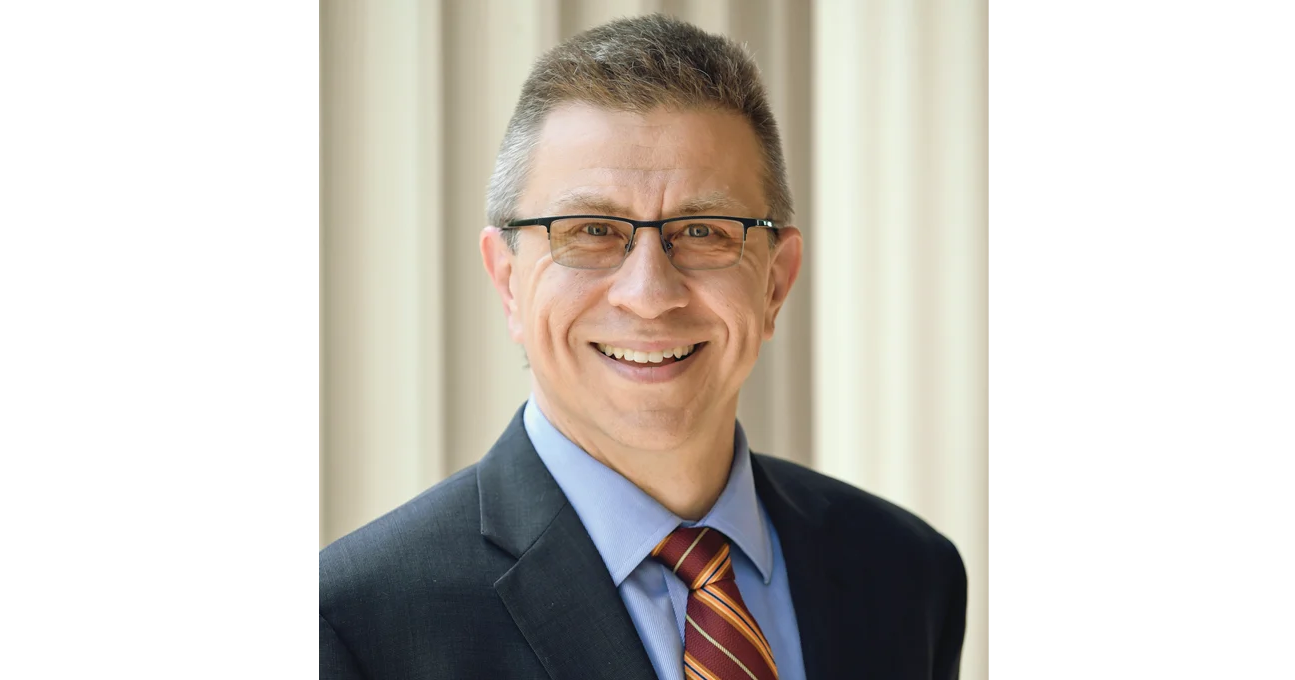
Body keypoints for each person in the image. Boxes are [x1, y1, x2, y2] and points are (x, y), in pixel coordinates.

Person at [317, 14, 966, 680]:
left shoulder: (908, 573)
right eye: (592, 229)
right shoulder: (352, 628)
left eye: (705, 231)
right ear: (508, 281)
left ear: (775, 282)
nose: (650, 292)